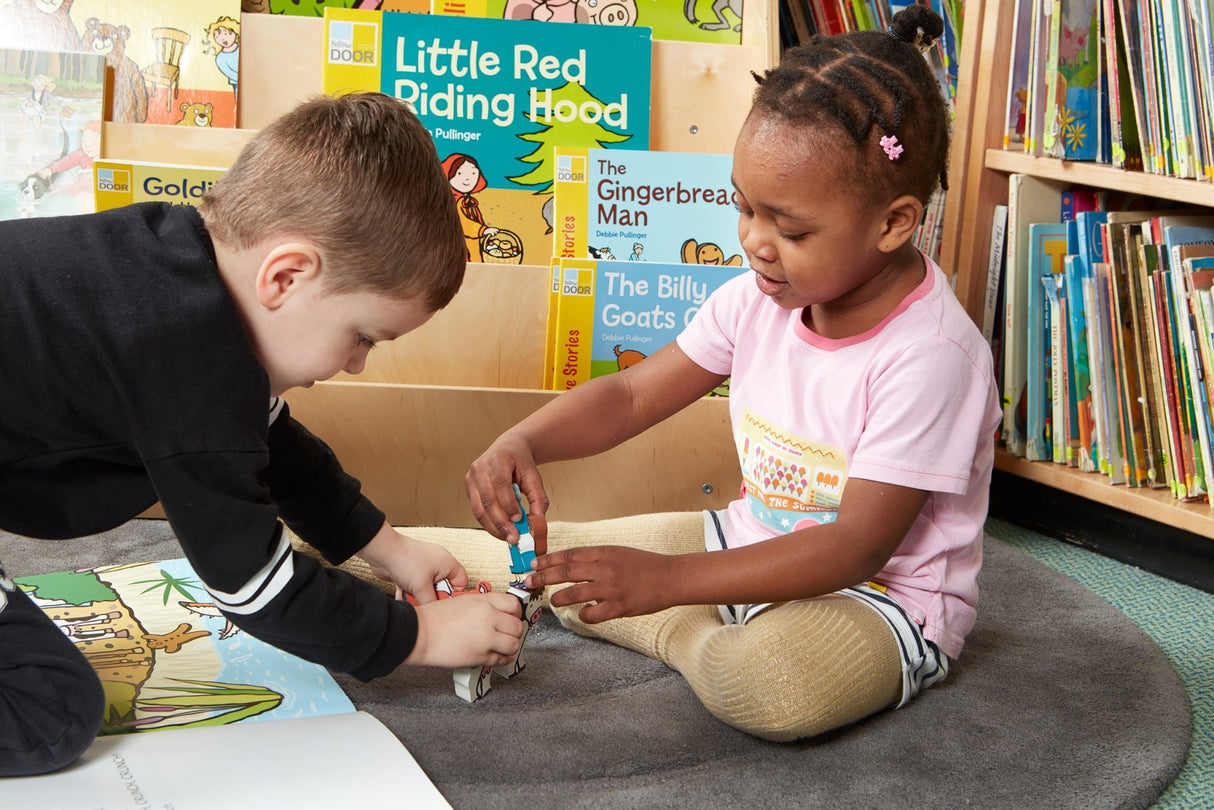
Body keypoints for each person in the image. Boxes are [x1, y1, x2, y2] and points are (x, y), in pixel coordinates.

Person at [403, 5, 1001, 741]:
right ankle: (352, 548)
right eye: (742, 207)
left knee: (767, 685)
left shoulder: (933, 357)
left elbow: (856, 548)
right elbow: (629, 395)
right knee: (566, 565)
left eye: (792, 229)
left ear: (894, 223)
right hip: (742, 542)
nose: (754, 242)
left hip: (879, 600)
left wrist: (666, 585)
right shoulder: (758, 298)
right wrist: (520, 443)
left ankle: (680, 632)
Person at [0, 92, 526, 777]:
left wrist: (389, 548)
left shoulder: (176, 265)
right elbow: (251, 585)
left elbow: (281, 452)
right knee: (52, 712)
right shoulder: (189, 363)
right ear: (286, 276)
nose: (357, 364)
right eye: (362, 337)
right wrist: (417, 634)